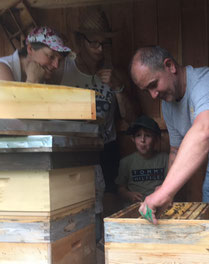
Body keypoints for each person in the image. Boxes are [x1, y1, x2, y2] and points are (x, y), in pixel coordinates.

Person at [130, 46, 209, 263]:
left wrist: (165, 193)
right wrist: (166, 186)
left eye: (153, 85)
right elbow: (176, 150)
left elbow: (205, 131)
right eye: (146, 91)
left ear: (170, 66)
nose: (153, 95)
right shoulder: (168, 105)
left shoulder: (208, 82)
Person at [53, 8, 138, 243]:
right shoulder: (63, 69)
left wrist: (119, 88)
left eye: (104, 43)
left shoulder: (115, 73)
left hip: (105, 147)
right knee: (72, 204)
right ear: (80, 41)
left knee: (109, 203)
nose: (100, 49)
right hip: (71, 149)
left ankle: (105, 250)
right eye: (94, 43)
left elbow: (131, 119)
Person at [115, 115, 168, 207]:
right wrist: (129, 195)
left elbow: (170, 185)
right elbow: (120, 188)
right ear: (133, 139)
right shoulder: (126, 162)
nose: (142, 140)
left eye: (147, 136)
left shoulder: (165, 159)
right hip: (134, 207)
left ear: (155, 139)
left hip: (158, 205)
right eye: (138, 135)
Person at [0, 26, 71, 82]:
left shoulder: (41, 75)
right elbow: (13, 101)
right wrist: (32, 81)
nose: (56, 65)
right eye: (51, 56)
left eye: (59, 60)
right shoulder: (2, 69)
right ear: (30, 49)